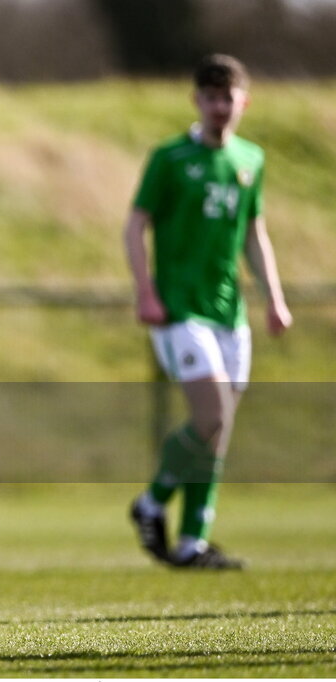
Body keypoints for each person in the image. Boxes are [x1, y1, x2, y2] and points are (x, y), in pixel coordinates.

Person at [125, 54, 292, 570]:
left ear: (244, 101)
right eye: (211, 97)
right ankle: (152, 502)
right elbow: (135, 225)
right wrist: (146, 291)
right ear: (197, 100)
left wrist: (274, 297)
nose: (220, 107)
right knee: (211, 416)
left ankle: (192, 541)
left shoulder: (250, 160)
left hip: (229, 314)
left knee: (218, 431)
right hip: (180, 311)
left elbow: (252, 233)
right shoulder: (171, 159)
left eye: (229, 97)